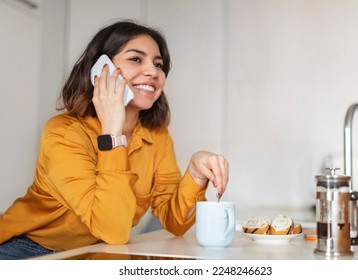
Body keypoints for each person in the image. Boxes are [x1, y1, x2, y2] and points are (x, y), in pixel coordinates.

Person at [0, 19, 229, 260]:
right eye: (136, 59)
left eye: (158, 64)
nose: (153, 72)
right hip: (27, 252)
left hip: (94, 254)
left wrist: (195, 174)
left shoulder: (156, 135)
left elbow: (175, 223)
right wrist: (112, 134)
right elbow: (113, 230)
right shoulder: (64, 133)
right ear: (100, 69)